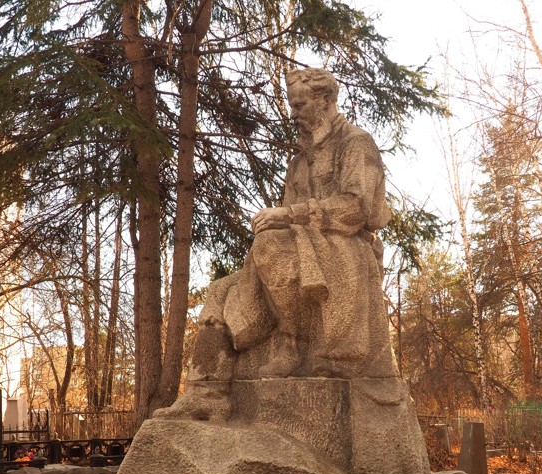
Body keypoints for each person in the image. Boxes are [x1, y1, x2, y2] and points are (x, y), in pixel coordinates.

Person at [156, 68, 396, 421]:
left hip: (345, 251)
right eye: (292, 105)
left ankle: (293, 341)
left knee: (268, 246)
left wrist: (288, 216)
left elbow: (356, 208)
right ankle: (207, 392)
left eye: (300, 105)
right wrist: (287, 221)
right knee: (221, 290)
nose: (293, 113)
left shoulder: (355, 142)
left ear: (325, 100)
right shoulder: (298, 162)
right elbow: (289, 221)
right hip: (303, 248)